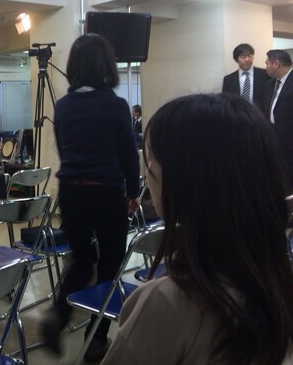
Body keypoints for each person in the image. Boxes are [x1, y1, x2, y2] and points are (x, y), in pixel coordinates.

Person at [103, 93, 293, 364]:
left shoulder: (166, 303)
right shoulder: (276, 282)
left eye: (152, 164)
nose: (147, 173)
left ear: (183, 180)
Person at [40, 33, 139, 363]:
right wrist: (133, 191)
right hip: (107, 191)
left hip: (70, 191)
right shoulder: (116, 105)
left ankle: (57, 314)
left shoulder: (64, 106)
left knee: (82, 259)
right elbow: (129, 154)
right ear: (106, 65)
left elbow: (64, 148)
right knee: (111, 262)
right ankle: (96, 339)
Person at [265, 49, 293, 193]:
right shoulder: (270, 84)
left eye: (267, 63)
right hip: (274, 138)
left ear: (276, 64)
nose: (265, 67)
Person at [222, 43, 269, 111]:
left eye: (250, 56)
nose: (247, 59)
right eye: (243, 57)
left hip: (259, 113)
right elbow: (226, 101)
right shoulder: (229, 79)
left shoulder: (264, 74)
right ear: (236, 59)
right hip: (238, 114)